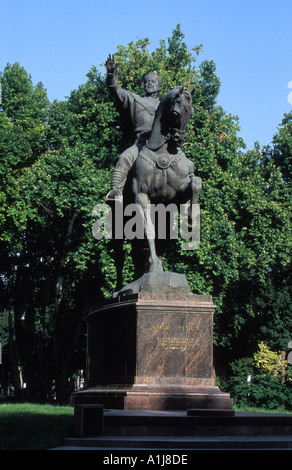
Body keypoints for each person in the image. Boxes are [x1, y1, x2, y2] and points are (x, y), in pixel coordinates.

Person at [105, 54, 162, 200]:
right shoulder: (135, 100)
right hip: (141, 144)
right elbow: (116, 90)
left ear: (159, 85)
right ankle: (115, 192)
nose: (150, 84)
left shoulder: (165, 105)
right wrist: (111, 74)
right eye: (147, 81)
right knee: (124, 158)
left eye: (153, 81)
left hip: (162, 145)